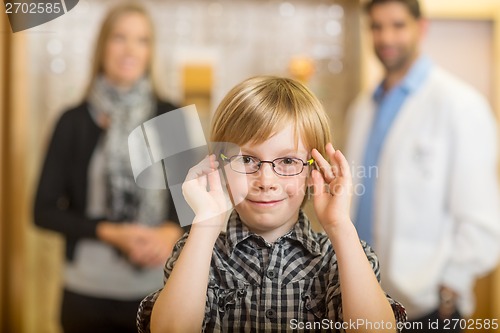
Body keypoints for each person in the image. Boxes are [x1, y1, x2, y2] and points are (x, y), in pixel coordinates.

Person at [137, 76, 407, 332]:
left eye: (288, 161)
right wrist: (206, 222)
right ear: (219, 166)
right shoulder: (195, 251)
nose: (266, 180)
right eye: (246, 160)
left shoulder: (341, 256)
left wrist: (340, 225)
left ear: (315, 172)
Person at [345, 0, 500, 331]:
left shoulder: (460, 105)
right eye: (376, 26)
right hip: (363, 297)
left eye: (398, 25)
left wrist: (451, 288)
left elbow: (482, 217)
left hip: (427, 305)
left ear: (421, 28)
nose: (386, 37)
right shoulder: (363, 108)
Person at [33, 3, 184, 333]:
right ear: (102, 46)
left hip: (158, 290)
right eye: (120, 37)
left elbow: (202, 208)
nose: (130, 49)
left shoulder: (173, 117)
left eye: (141, 40)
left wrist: (170, 231)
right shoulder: (71, 121)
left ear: (150, 51)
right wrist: (111, 233)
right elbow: (42, 211)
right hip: (85, 293)